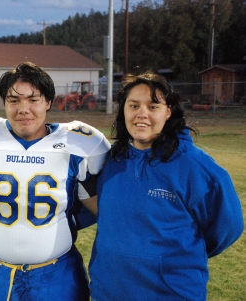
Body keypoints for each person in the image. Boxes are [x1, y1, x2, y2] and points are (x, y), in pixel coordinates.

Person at [0, 61, 111, 301]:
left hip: (58, 273)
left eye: (33, 99)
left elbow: (100, 206)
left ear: (48, 102)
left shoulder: (77, 144)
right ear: (4, 104)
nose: (23, 109)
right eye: (14, 100)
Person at [88, 70, 244, 301]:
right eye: (133, 106)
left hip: (170, 294)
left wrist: (177, 257)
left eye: (153, 106)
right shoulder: (110, 160)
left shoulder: (194, 166)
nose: (142, 114)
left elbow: (227, 227)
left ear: (168, 112)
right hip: (107, 293)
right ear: (123, 110)